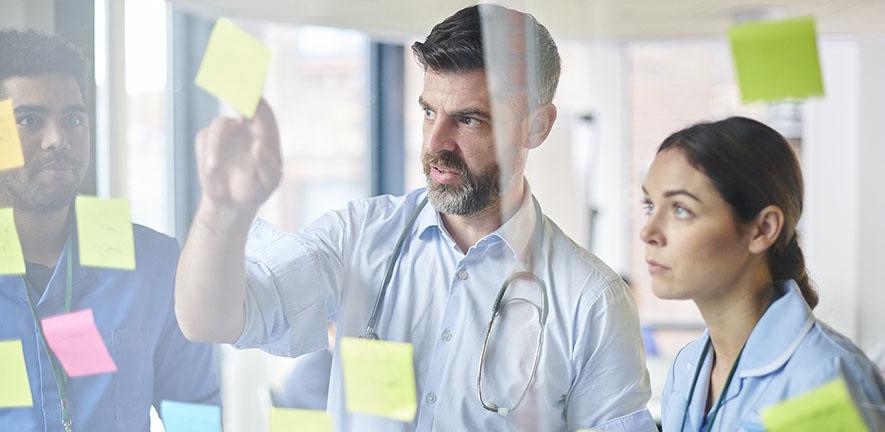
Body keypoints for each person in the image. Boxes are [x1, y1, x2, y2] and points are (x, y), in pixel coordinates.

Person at [176, 4, 655, 431]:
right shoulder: (360, 236)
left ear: (537, 125)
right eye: (429, 112)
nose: (435, 145)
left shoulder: (591, 301)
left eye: (468, 119)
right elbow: (211, 320)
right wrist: (224, 210)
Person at [0, 29, 220, 431]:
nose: (57, 140)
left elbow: (196, 417)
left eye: (73, 119)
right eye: (29, 120)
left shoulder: (153, 263)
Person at [640, 116, 885, 431]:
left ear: (762, 229)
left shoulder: (822, 378)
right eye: (650, 206)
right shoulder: (687, 368)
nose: (649, 231)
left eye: (681, 209)